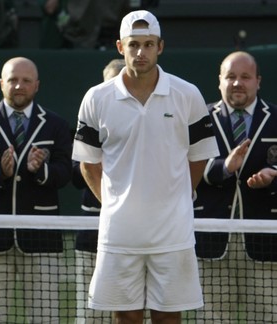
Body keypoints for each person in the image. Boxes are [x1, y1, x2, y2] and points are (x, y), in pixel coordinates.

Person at [72, 10, 219, 324]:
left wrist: (176, 197)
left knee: (168, 317)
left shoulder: (188, 94)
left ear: (160, 47)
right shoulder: (96, 98)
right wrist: (115, 205)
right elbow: (88, 164)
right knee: (126, 316)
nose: (141, 52)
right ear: (120, 47)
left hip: (173, 233)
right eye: (134, 44)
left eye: (148, 44)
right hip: (119, 234)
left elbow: (199, 157)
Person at [0, 56, 72, 323]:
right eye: (12, 80)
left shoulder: (55, 124)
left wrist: (41, 170)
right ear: (2, 84)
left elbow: (65, 172)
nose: (19, 86)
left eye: (25, 81)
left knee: (44, 316)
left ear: (37, 85)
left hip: (41, 237)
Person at [193, 51, 277, 323]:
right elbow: (185, 167)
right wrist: (224, 167)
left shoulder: (275, 117)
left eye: (245, 77)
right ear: (220, 81)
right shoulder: (200, 119)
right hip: (212, 239)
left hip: (266, 241)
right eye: (231, 77)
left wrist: (272, 173)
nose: (238, 83)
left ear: (258, 81)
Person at [72, 58, 124, 324]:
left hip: (135, 236)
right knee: (91, 314)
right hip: (91, 234)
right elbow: (77, 175)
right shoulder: (90, 116)